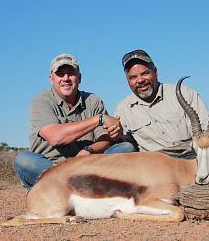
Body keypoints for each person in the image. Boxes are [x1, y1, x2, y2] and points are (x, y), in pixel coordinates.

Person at [115, 49, 209, 178]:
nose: (140, 80)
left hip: (192, 156)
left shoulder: (183, 92)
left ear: (155, 72)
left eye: (145, 73)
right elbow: (126, 146)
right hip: (158, 166)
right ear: (127, 80)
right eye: (133, 77)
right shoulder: (123, 108)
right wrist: (118, 136)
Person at [15, 53, 135, 190]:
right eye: (60, 74)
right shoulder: (41, 100)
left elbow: (105, 137)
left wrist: (88, 150)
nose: (66, 78)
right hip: (53, 167)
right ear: (51, 79)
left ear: (79, 77)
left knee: (126, 148)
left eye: (71, 73)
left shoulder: (93, 101)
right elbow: (56, 137)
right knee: (23, 160)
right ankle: (80, 187)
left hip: (88, 166)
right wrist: (99, 119)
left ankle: (73, 189)